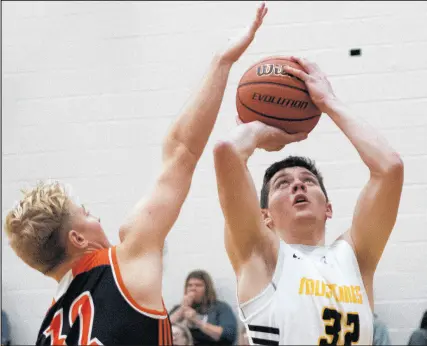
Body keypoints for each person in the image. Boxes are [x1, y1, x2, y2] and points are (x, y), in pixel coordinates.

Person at [3, 3, 268, 345]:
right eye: (86, 214)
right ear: (78, 239)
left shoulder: (47, 330)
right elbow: (181, 152)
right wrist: (223, 60)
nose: (97, 217)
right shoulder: (122, 266)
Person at [213, 53, 404, 344]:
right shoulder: (260, 255)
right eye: (283, 183)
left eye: (308, 181)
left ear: (328, 208)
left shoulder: (355, 257)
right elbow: (227, 150)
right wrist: (259, 131)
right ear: (264, 215)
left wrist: (329, 102)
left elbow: (389, 168)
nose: (298, 186)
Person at [170, 270, 237, 345]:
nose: (193, 288)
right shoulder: (178, 309)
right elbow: (160, 330)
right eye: (189, 285)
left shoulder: (220, 308)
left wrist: (197, 321)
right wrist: (182, 309)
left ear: (207, 289)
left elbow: (228, 335)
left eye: (198, 285)